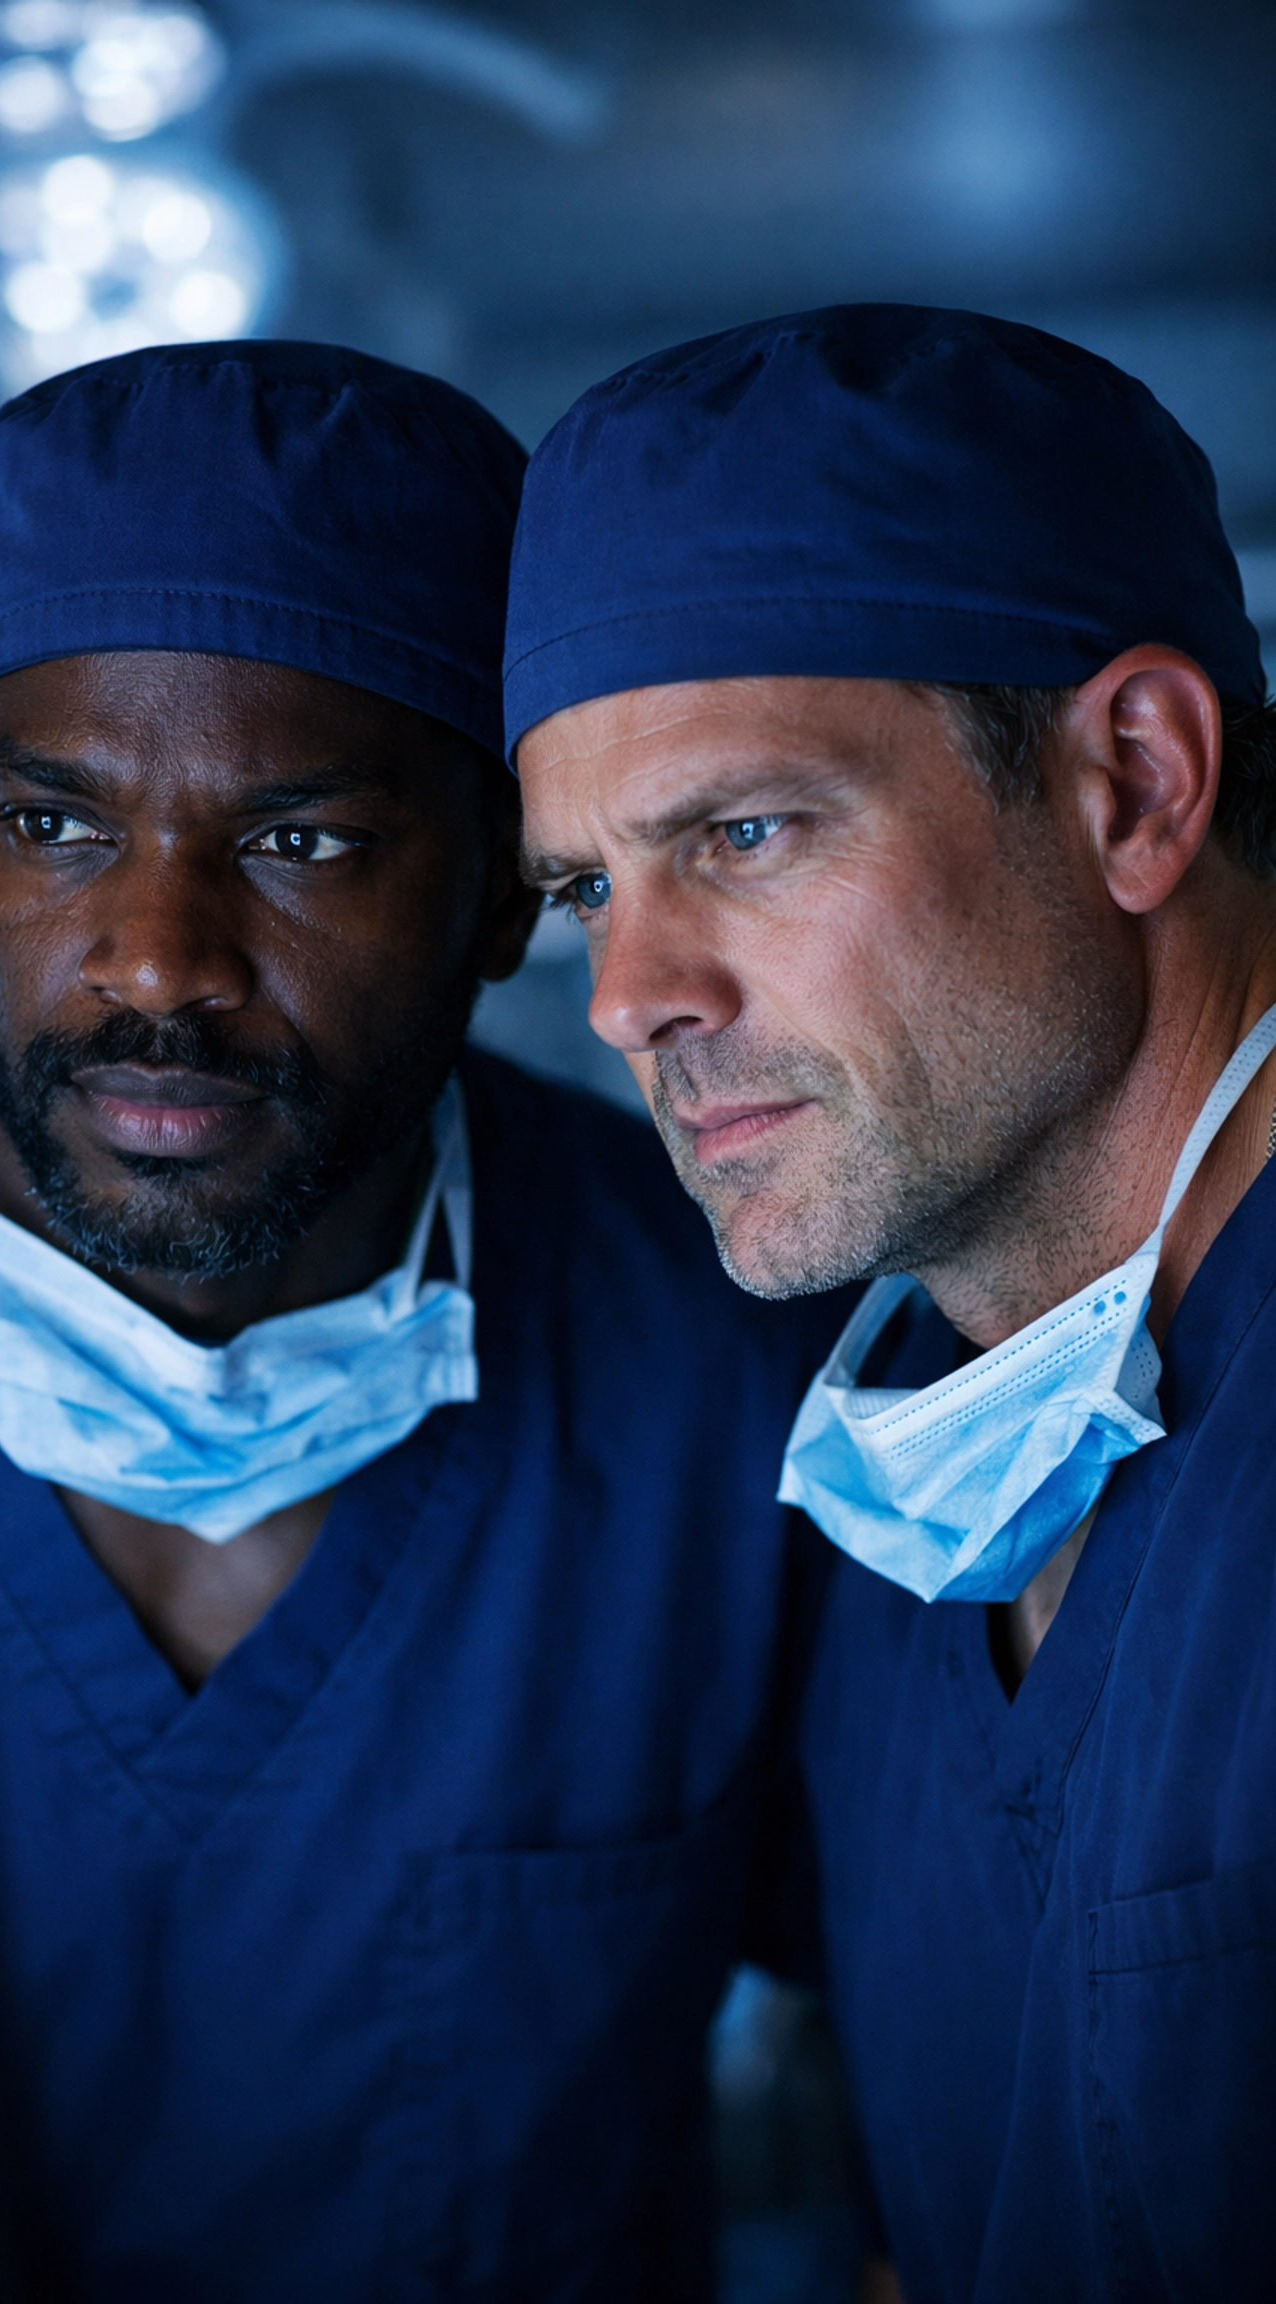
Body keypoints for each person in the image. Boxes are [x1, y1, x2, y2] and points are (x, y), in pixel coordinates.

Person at [0, 342, 851, 2301]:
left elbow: (945, 2048)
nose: (159, 956)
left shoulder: (722, 1353)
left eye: (302, 841)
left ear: (508, 885)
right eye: (55, 826)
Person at [505, 304, 1276, 2303]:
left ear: (1133, 783)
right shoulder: (922, 1486)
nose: (627, 996)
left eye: (740, 835)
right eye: (586, 887)